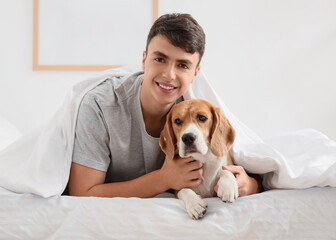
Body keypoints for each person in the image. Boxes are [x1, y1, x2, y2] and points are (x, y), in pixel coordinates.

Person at [68, 13, 261, 198]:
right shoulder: (100, 106)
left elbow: (255, 160)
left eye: (183, 65)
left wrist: (250, 185)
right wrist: (163, 180)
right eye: (160, 59)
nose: (169, 75)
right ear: (144, 60)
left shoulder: (200, 108)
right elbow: (82, 192)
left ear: (196, 73)